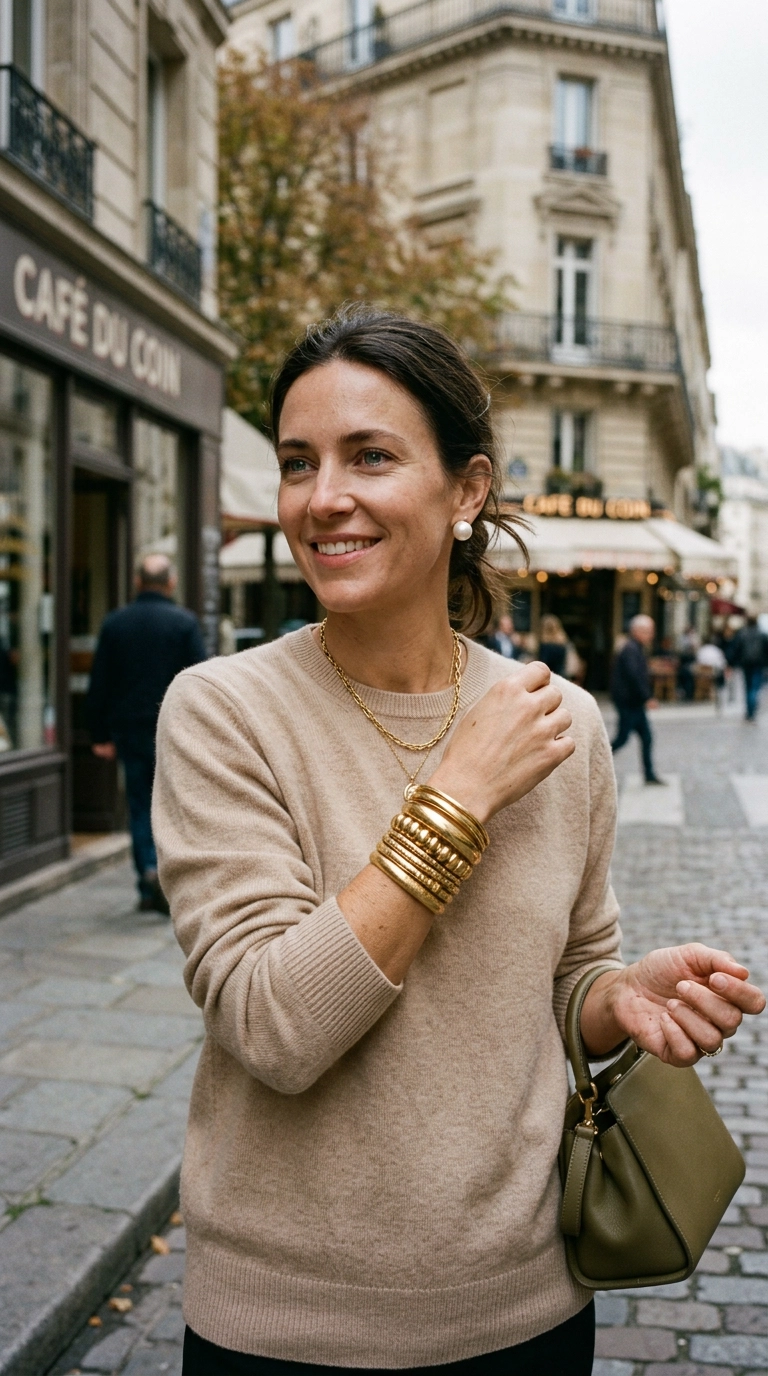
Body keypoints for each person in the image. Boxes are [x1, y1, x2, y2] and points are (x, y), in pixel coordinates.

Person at [152, 308, 764, 1376]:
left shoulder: (562, 724)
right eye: (299, 462)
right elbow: (272, 1024)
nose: (321, 497)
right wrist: (458, 794)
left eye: (369, 455)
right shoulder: (223, 711)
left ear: (467, 490)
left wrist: (616, 996)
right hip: (289, 1326)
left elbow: (566, 975)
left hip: (527, 1309)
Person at [88, 554, 206, 913]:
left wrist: (99, 734)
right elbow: (200, 680)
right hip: (174, 728)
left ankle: (149, 873)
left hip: (129, 729)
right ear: (171, 583)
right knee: (173, 804)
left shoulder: (115, 623)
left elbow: (100, 681)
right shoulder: (184, 623)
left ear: (138, 582)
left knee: (140, 803)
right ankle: (170, 880)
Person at [610, 614, 663, 785]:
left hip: (633, 702)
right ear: (637, 631)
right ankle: (594, 761)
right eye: (648, 631)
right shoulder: (631, 649)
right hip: (629, 702)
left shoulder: (634, 648)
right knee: (622, 738)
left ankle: (649, 774)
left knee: (646, 737)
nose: (651, 635)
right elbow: (634, 676)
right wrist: (647, 697)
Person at [731, 614, 768, 722]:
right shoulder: (762, 634)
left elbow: (736, 649)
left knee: (748, 687)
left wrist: (733, 662)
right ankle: (752, 711)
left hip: (746, 664)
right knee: (755, 687)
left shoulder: (742, 634)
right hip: (758, 664)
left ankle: (749, 712)